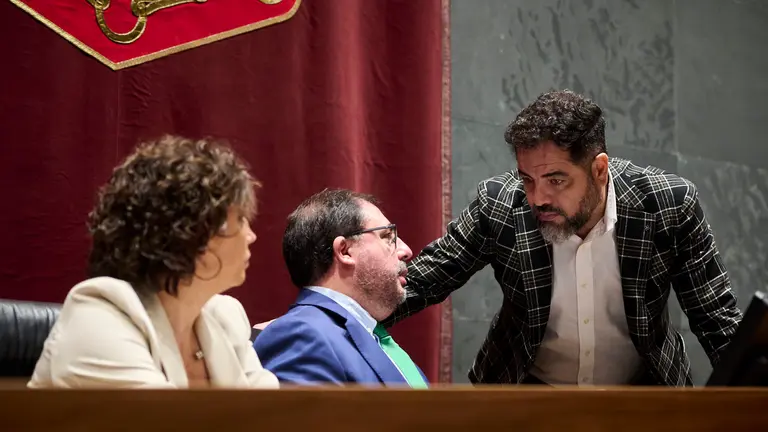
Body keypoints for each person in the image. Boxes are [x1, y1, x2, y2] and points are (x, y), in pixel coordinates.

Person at [384, 89, 743, 386]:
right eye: (527, 179)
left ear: (599, 170)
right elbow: (421, 282)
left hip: (641, 398)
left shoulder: (668, 205)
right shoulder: (498, 204)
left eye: (556, 180)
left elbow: (717, 320)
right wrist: (335, 319)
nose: (538, 198)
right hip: (526, 396)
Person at [28, 135, 278, 389]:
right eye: (241, 221)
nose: (251, 236)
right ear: (197, 237)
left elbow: (280, 415)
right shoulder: (98, 321)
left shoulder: (224, 317)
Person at [253, 189, 428, 387]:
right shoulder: (302, 334)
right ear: (345, 251)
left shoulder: (373, 336)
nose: (406, 250)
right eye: (387, 236)